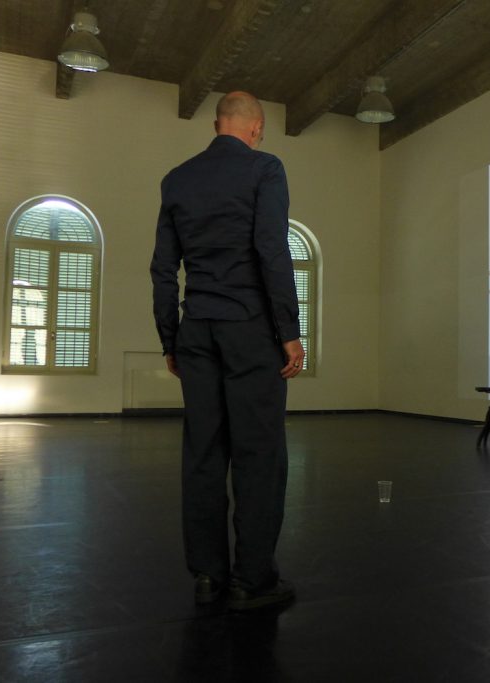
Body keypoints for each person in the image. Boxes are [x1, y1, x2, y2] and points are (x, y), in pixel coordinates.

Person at [150, 91, 304, 612]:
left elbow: (163, 268)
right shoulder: (265, 168)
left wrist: (170, 338)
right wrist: (289, 329)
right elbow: (271, 249)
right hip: (250, 331)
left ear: (218, 125)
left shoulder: (177, 179)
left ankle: (208, 574)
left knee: (203, 454)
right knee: (259, 455)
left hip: (197, 331)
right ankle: (252, 580)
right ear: (256, 128)